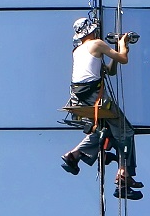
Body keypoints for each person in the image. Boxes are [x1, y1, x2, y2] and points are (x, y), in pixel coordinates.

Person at [61, 17, 143, 200]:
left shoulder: (78, 50)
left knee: (103, 131)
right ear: (91, 31)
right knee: (126, 131)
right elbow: (123, 60)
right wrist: (122, 46)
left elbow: (110, 70)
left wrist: (116, 49)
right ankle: (124, 175)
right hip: (95, 97)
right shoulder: (96, 44)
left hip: (81, 99)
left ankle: (74, 155)